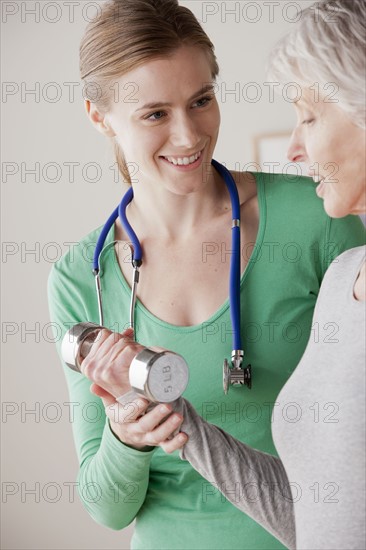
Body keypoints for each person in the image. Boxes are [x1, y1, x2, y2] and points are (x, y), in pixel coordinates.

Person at [47, 1, 365, 549]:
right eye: (154, 114)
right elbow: (107, 508)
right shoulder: (83, 277)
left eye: (201, 101)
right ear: (100, 117)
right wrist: (128, 437)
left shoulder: (324, 216)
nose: (189, 135)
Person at [158, 1, 365, 549]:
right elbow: (314, 510)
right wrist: (179, 422)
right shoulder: (347, 280)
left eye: (310, 116)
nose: (294, 148)